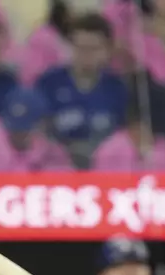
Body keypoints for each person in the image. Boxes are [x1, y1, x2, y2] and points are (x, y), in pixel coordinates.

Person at [35, 13, 127, 169]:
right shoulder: (48, 84)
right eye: (80, 48)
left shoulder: (118, 89)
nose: (86, 55)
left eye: (93, 49)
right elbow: (36, 135)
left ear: (108, 50)